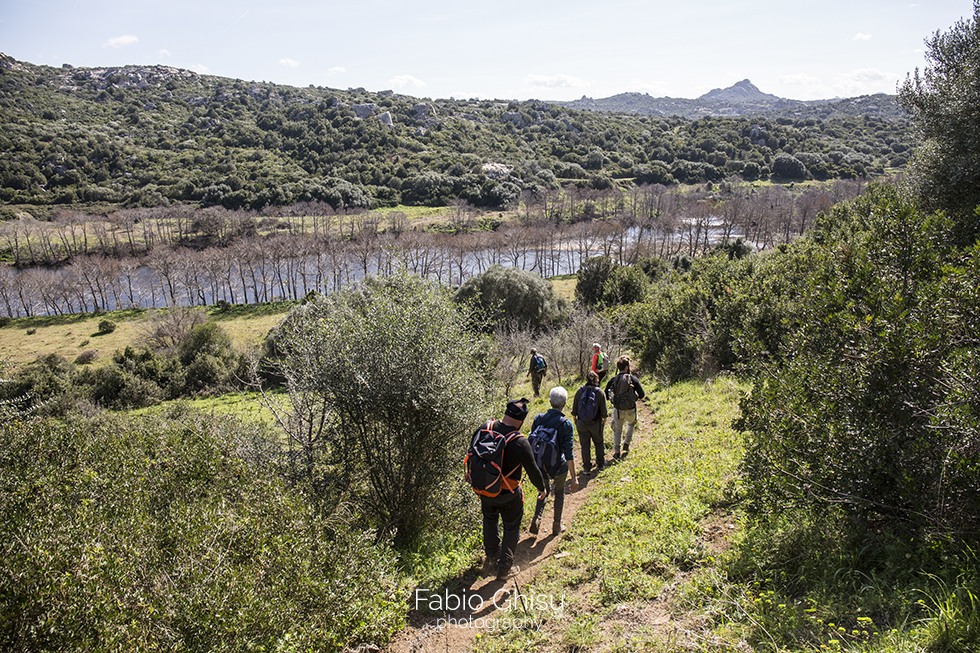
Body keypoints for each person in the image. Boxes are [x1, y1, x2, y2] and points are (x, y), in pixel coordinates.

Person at [476, 398, 548, 580]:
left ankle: (491, 558)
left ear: (506, 412)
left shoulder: (486, 427)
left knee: (489, 519)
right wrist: (542, 489)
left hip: (485, 490)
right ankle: (504, 568)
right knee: (511, 526)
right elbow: (533, 470)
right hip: (508, 495)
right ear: (522, 420)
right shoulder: (518, 441)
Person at [529, 386, 578, 536]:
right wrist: (574, 477)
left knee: (543, 489)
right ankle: (556, 525)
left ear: (550, 402)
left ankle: (537, 517)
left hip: (539, 465)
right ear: (564, 404)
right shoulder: (566, 425)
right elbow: (569, 453)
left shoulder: (539, 418)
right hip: (559, 467)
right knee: (559, 492)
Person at [605, 356, 646, 459]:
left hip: (618, 409)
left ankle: (616, 451)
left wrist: (611, 398)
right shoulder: (633, 379)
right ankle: (627, 442)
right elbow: (642, 394)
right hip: (630, 408)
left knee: (617, 430)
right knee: (631, 423)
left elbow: (606, 393)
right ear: (627, 367)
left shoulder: (614, 379)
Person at [571, 370, 608, 476]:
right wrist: (603, 422)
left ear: (586, 379)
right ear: (597, 379)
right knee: (599, 443)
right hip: (596, 424)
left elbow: (574, 411)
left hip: (582, 424)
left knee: (585, 445)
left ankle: (586, 467)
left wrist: (577, 421)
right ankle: (600, 464)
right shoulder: (600, 392)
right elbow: (604, 413)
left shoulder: (579, 391)